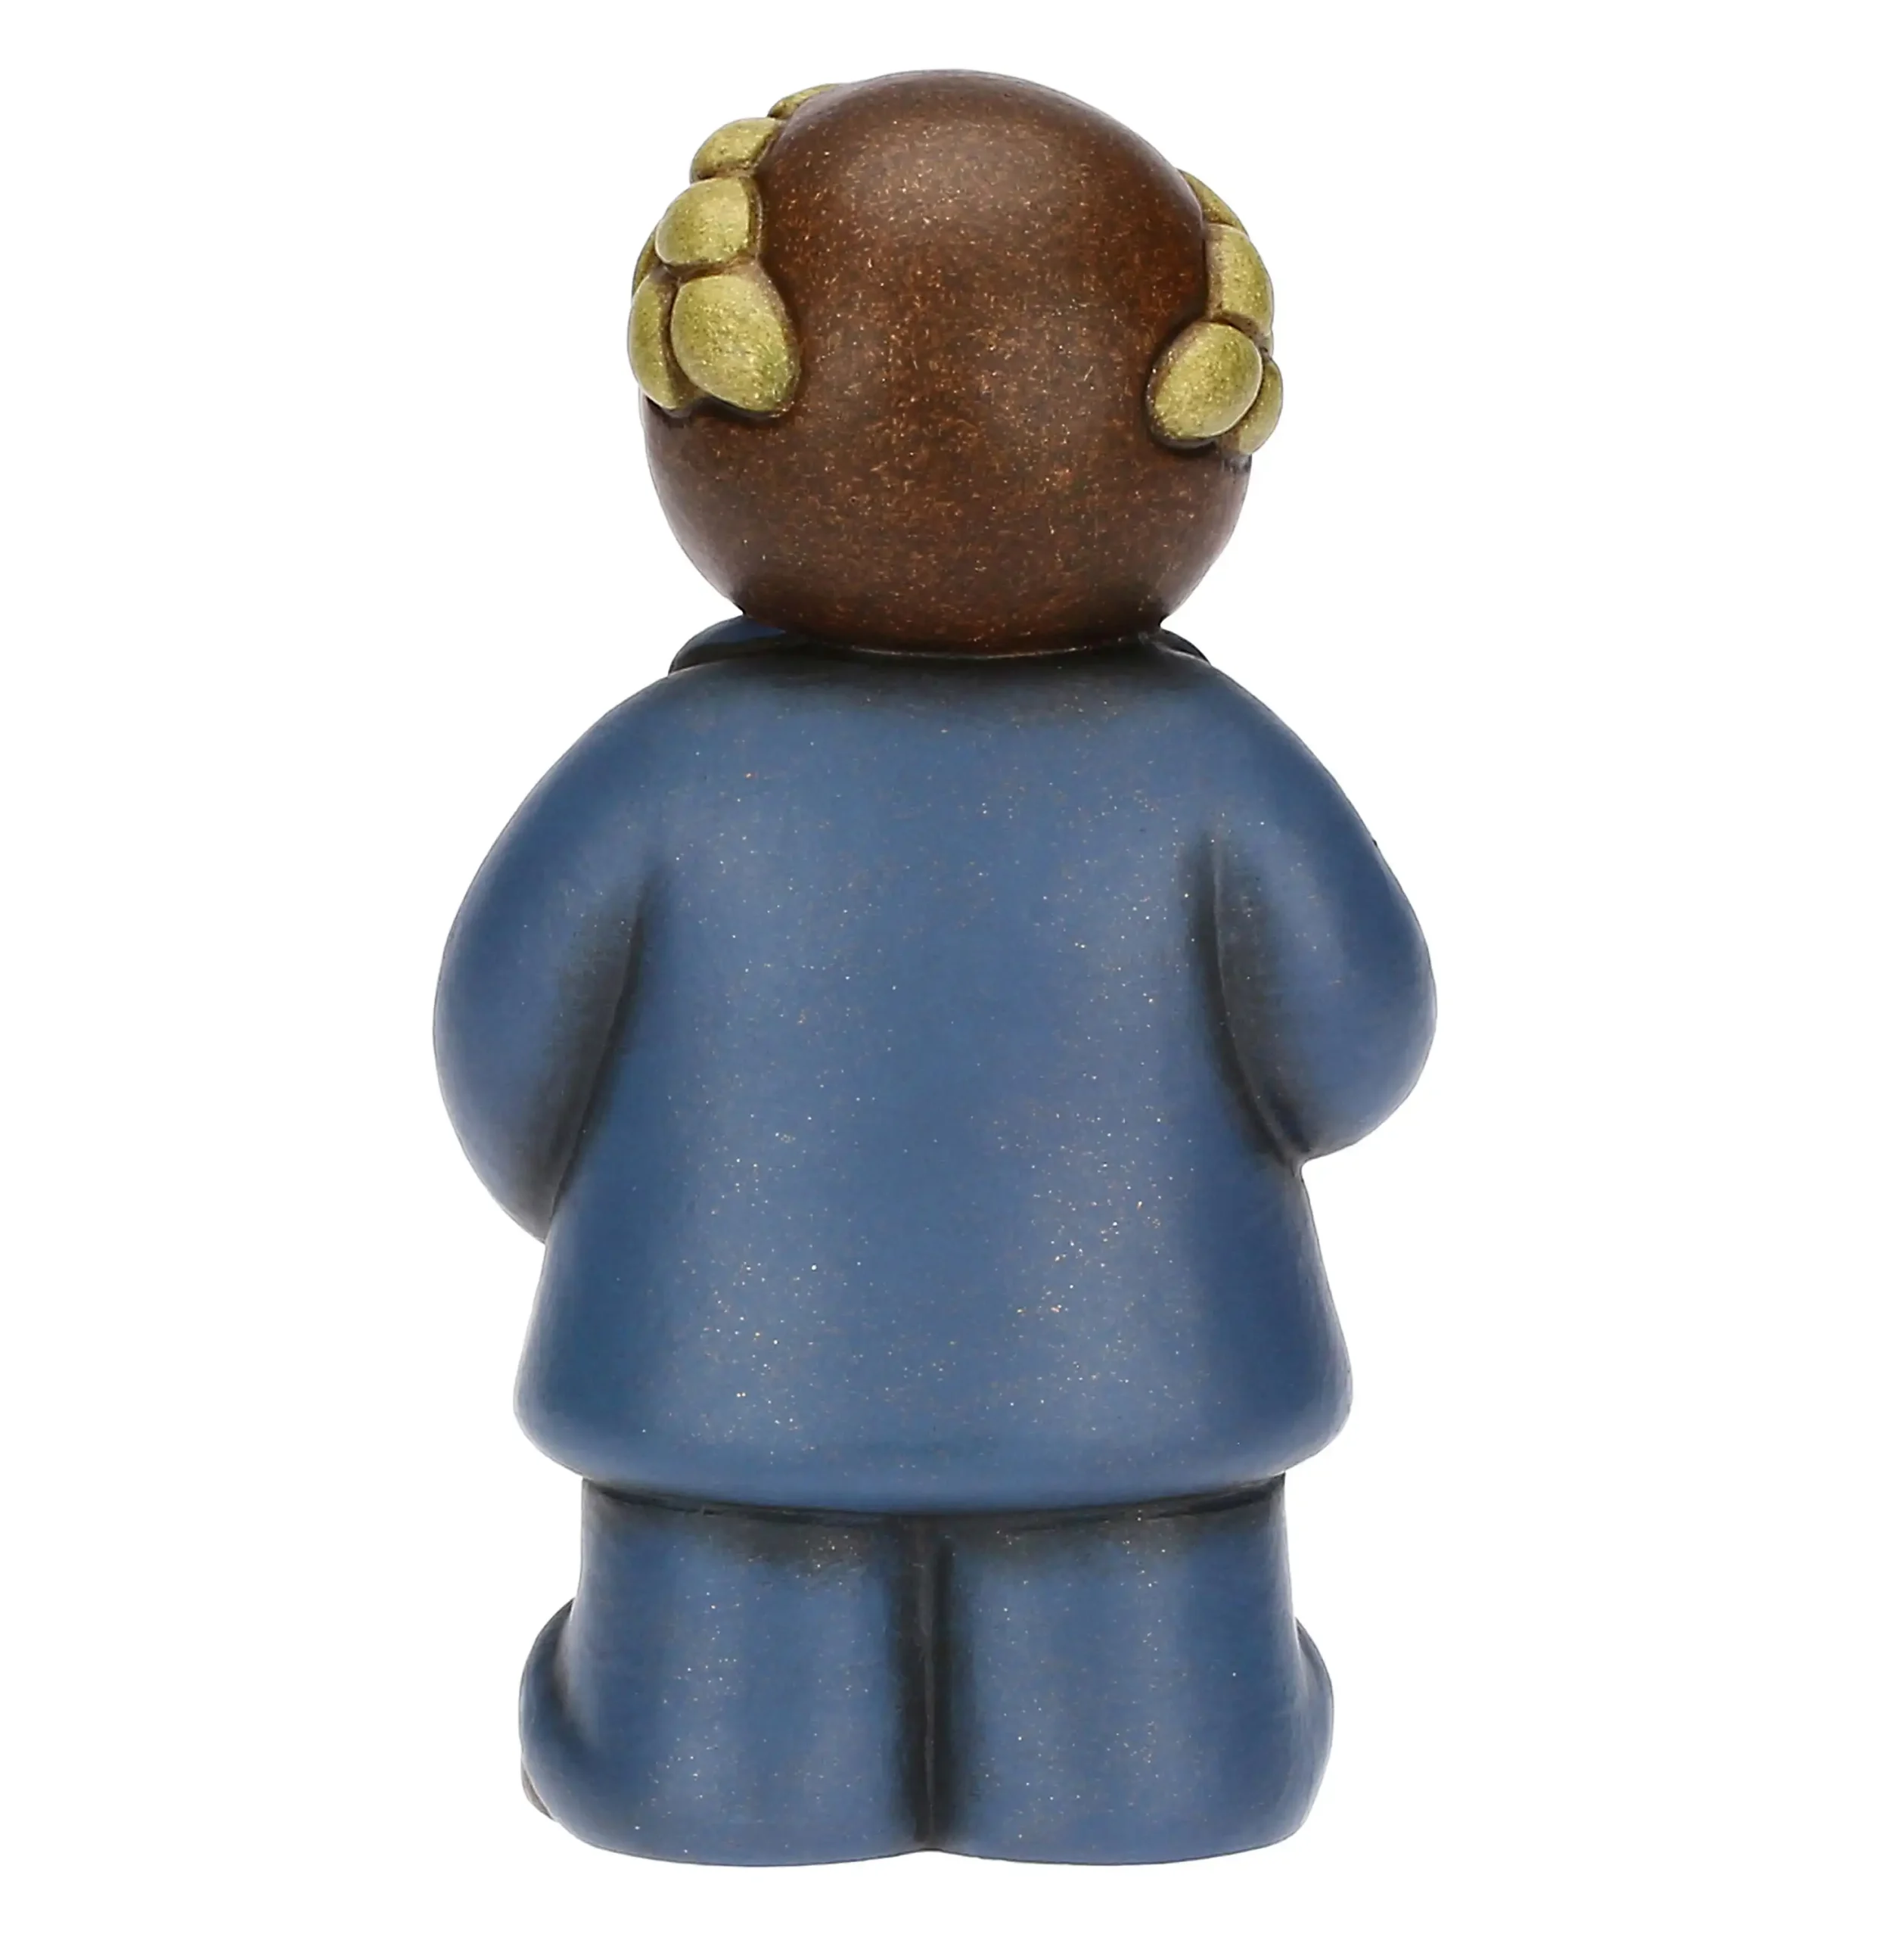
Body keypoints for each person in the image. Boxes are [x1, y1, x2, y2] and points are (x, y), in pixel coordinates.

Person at [435, 70, 1433, 1864]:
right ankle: (1147, 1766)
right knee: (1153, 1730)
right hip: (1145, 1400)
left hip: (718, 1398)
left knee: (713, 1736)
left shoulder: (658, 774)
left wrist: (648, 1222)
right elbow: (1360, 1047)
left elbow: (505, 1062)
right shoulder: (1213, 771)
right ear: (1193, 424)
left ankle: (697, 1765)